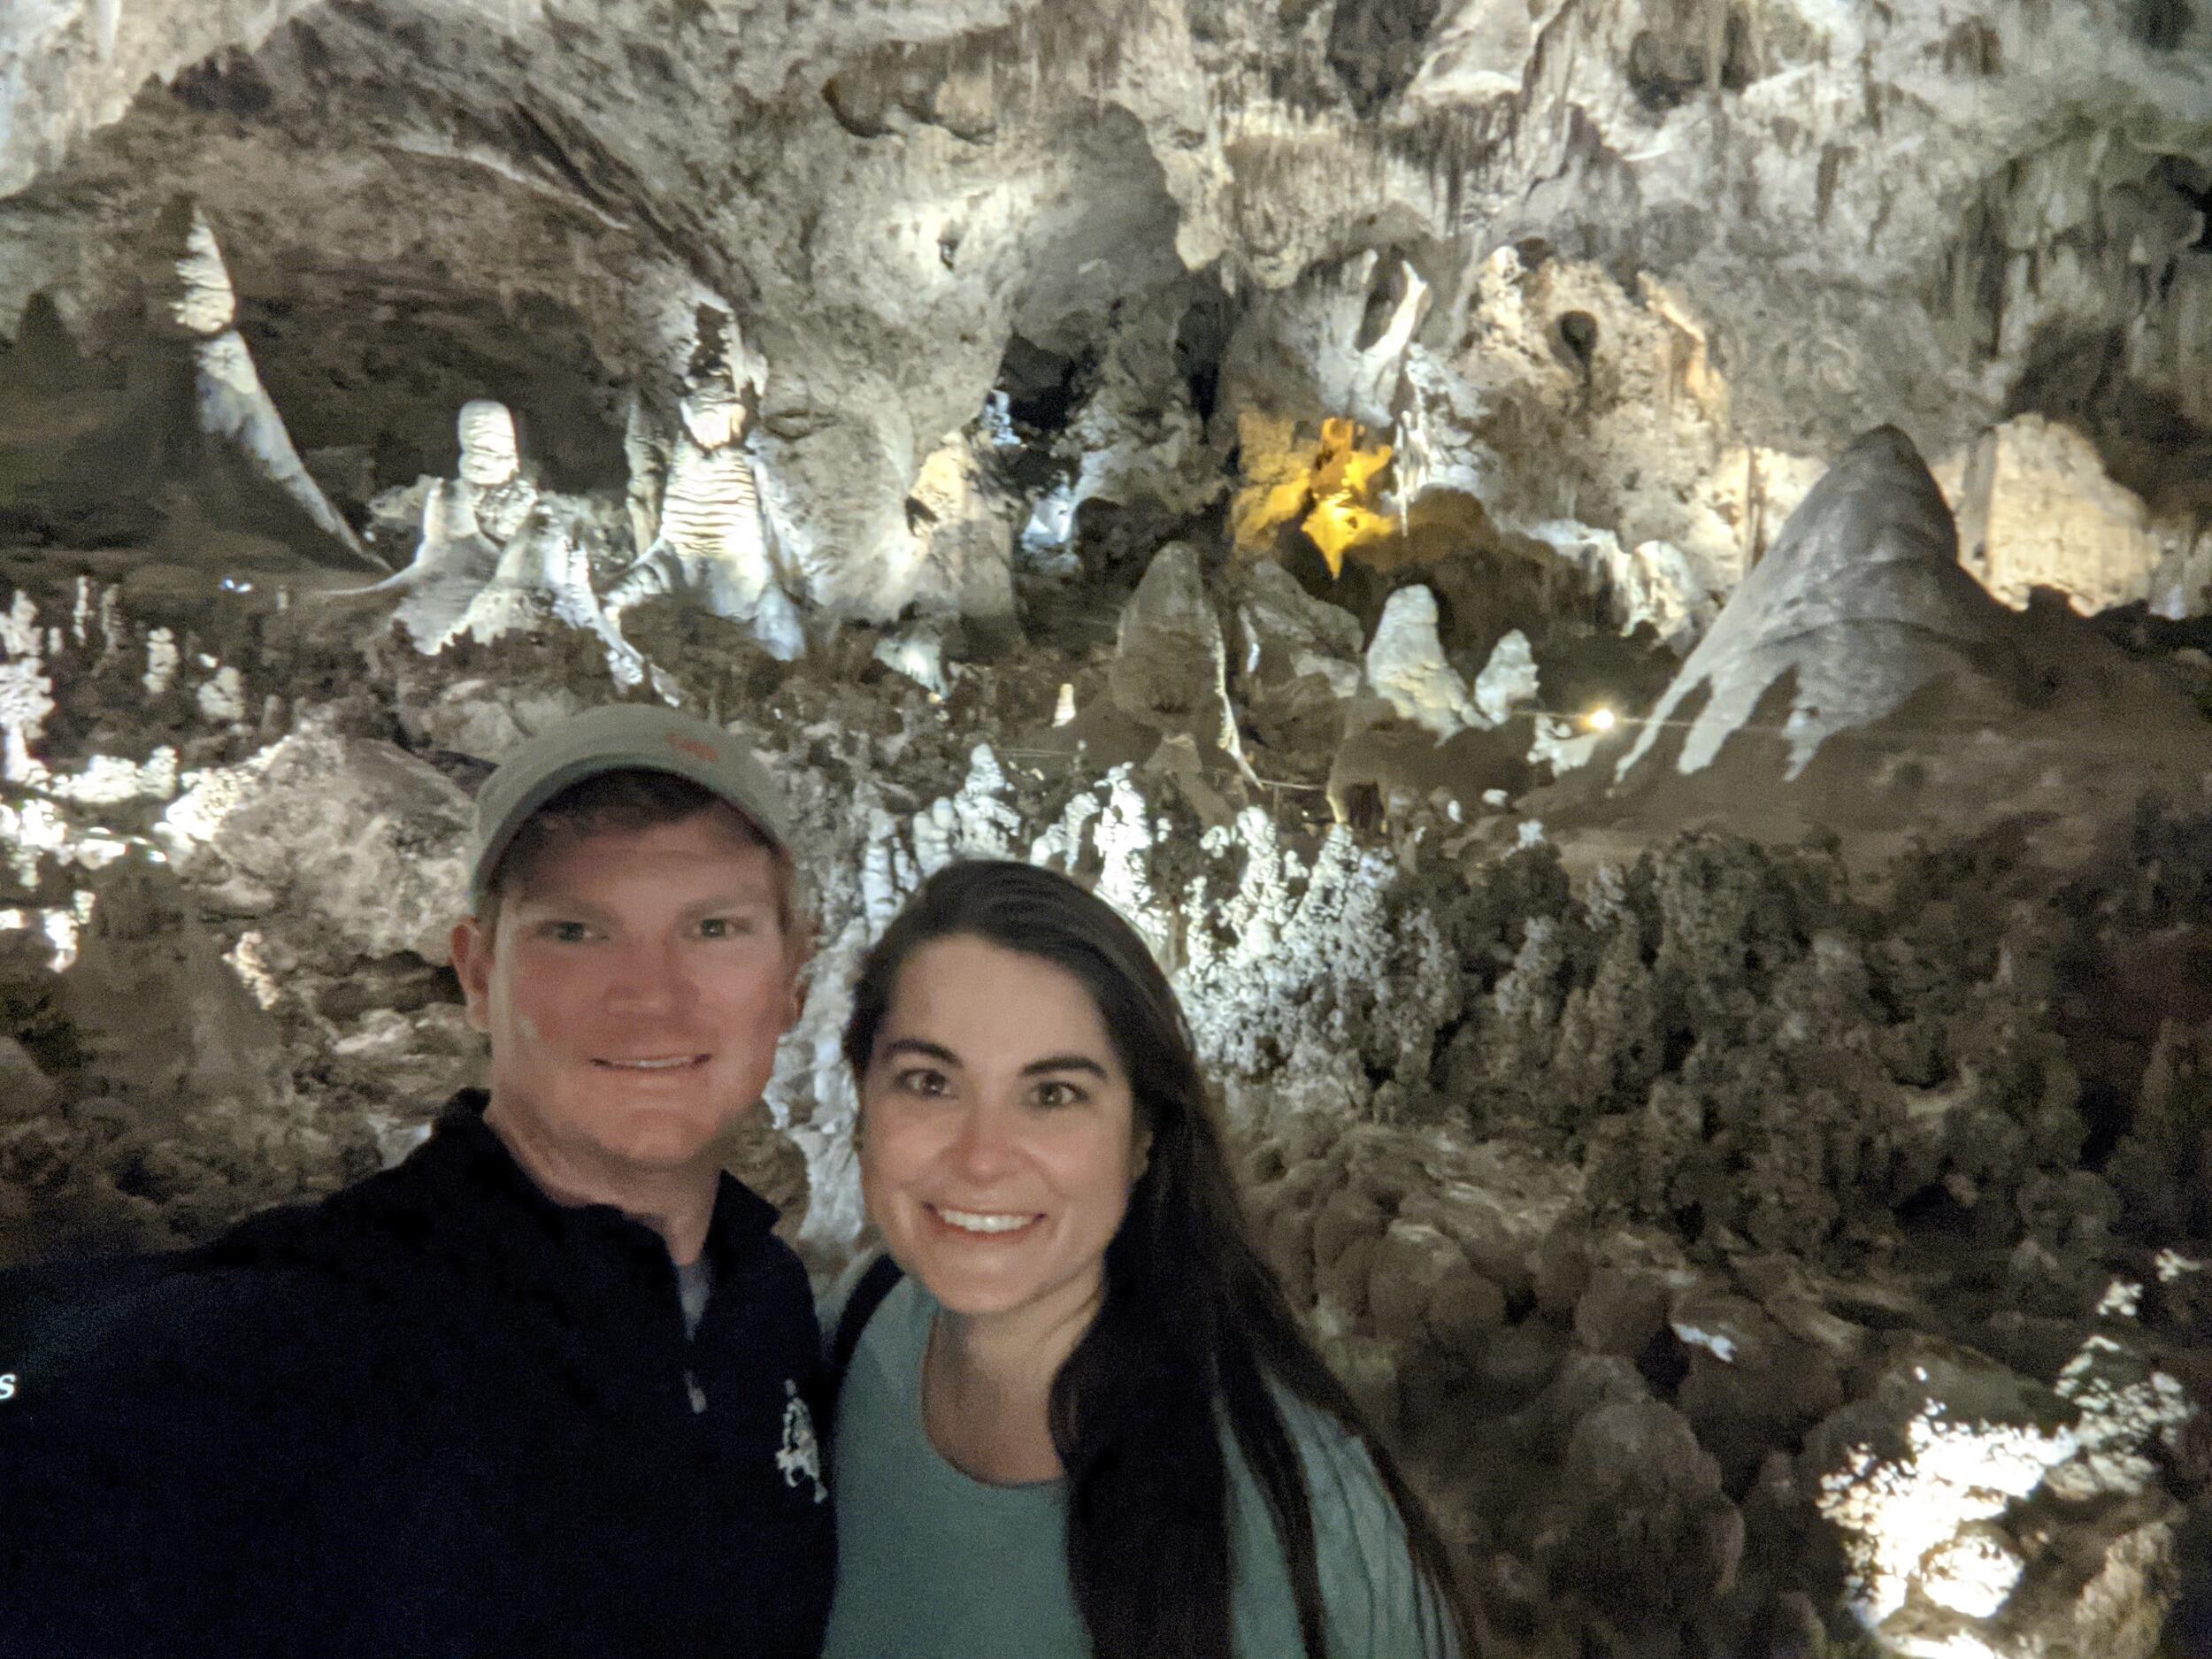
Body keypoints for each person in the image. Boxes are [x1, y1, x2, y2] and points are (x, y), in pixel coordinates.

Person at [0, 705, 833, 1659]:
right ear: (478, 974)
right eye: (575, 930)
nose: (649, 993)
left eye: (714, 927)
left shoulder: (767, 1306)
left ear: (793, 980)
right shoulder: (291, 1344)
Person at [822, 858, 1476, 1659]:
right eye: (928, 1081)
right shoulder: (853, 1326)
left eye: (1053, 1093)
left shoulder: (1311, 1525)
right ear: (863, 1099)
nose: (982, 1157)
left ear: (1143, 1139)